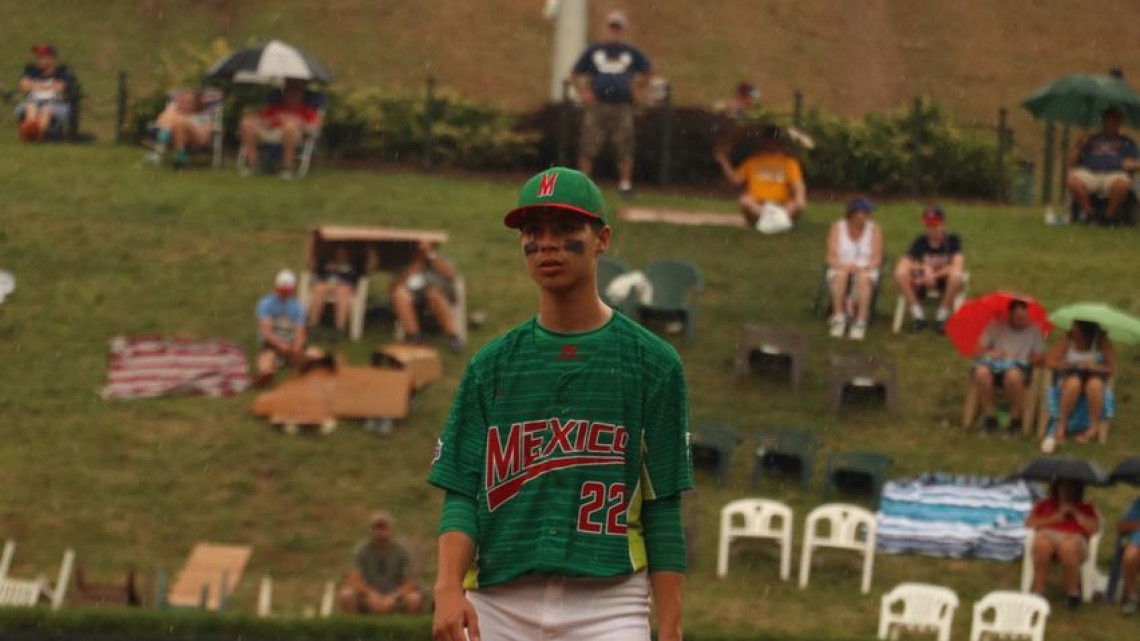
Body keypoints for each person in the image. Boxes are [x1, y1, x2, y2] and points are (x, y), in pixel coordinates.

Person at [428, 167, 693, 641]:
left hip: (610, 602)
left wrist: (670, 626)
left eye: (566, 230)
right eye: (533, 232)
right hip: (498, 597)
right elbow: (463, 492)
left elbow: (663, 504)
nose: (546, 244)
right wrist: (447, 588)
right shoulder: (491, 367)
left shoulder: (653, 364)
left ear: (602, 239)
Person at [572, 9, 652, 196]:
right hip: (598, 105)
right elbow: (575, 73)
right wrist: (584, 93)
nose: (614, 31)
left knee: (624, 145)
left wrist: (636, 89)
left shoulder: (631, 52)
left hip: (622, 106)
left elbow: (647, 72)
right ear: (607, 28)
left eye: (618, 28)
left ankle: (625, 184)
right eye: (612, 27)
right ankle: (584, 185)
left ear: (623, 29)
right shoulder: (594, 51)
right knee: (589, 143)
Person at [971, 299, 1046, 436]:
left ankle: (1015, 419)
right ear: (1010, 315)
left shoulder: (1034, 330)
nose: (1022, 321)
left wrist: (1020, 358)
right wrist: (991, 353)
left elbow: (1040, 359)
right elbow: (977, 350)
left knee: (1012, 376)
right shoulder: (996, 326)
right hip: (995, 364)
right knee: (981, 373)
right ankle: (990, 417)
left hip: (1018, 366)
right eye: (1018, 318)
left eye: (1025, 318)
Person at [1040, 320, 1116, 452]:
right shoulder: (1067, 339)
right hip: (1070, 374)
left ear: (1085, 331)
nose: (1073, 331)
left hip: (1093, 375)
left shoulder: (1101, 341)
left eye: (1076, 328)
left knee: (1095, 385)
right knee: (1073, 383)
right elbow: (1051, 362)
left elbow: (1112, 368)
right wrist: (1071, 365)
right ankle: (1061, 424)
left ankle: (1093, 427)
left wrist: (1095, 366)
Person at [1025, 479, 1100, 610]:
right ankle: (1038, 591)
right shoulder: (1045, 504)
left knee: (1068, 546)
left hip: (1075, 538)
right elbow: (1030, 524)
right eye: (1064, 488)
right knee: (1042, 543)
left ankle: (1072, 593)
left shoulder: (1086, 507)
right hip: (1048, 534)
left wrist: (1076, 514)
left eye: (1071, 488)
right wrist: (1054, 518)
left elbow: (1094, 529)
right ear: (1057, 489)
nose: (1067, 491)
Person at [717, 124, 806, 230]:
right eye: (768, 139)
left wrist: (800, 199)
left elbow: (798, 185)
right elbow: (735, 181)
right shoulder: (752, 161)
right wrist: (724, 161)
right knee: (745, 201)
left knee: (797, 205)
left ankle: (771, 220)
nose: (771, 142)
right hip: (757, 206)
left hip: (782, 205)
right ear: (764, 140)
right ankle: (777, 220)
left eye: (773, 139)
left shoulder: (789, 162)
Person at [337, 511, 425, 615]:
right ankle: (353, 628)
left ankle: (408, 628)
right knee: (347, 594)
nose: (380, 532)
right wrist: (371, 594)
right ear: (371, 530)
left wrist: (393, 597)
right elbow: (354, 578)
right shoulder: (362, 550)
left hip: (396, 596)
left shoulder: (403, 550)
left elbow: (411, 581)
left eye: (384, 528)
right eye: (377, 528)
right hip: (368, 596)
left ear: (391, 530)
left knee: (413, 598)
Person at [893, 206, 965, 332]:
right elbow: (903, 264)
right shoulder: (920, 241)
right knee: (900, 274)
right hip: (922, 280)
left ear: (943, 224)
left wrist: (933, 275)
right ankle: (918, 315)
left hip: (944, 280)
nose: (933, 230)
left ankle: (941, 317)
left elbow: (957, 264)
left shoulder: (952, 240)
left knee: (956, 275)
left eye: (936, 225)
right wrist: (924, 268)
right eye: (929, 226)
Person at [1066, 106, 1139, 224]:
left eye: (1116, 120)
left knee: (1122, 185)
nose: (1112, 123)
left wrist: (1132, 165)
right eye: (1109, 120)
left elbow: (1137, 163)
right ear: (1103, 121)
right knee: (1073, 181)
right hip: (1090, 172)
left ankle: (1108, 217)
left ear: (1120, 123)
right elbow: (1071, 161)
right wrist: (1079, 145)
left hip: (1115, 173)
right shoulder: (1091, 139)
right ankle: (1090, 214)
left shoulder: (1126, 142)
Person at [237, 78, 322, 179]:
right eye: (288, 91)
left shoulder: (307, 111)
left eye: (295, 91)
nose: (291, 94)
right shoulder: (276, 107)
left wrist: (300, 124)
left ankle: (287, 168)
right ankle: (253, 165)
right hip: (270, 132)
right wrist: (264, 122)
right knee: (247, 123)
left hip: (294, 135)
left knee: (289, 127)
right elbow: (260, 118)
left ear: (301, 94)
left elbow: (315, 128)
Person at [825, 197, 883, 341]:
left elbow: (877, 258)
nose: (867, 216)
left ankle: (860, 321)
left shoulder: (875, 230)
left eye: (868, 213)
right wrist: (845, 266)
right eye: (864, 213)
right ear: (853, 214)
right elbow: (830, 257)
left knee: (864, 278)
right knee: (840, 275)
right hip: (841, 265)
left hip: (865, 267)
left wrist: (865, 267)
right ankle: (838, 317)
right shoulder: (837, 227)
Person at [391, 241, 463, 353]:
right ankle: (414, 336)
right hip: (413, 296)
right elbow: (394, 286)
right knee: (400, 294)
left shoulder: (440, 258)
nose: (420, 249)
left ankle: (452, 336)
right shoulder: (405, 261)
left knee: (433, 293)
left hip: (438, 294)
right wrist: (414, 266)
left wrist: (431, 255)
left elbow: (450, 275)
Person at [254, 269, 308, 387]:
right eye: (282, 291)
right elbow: (266, 333)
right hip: (273, 344)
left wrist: (297, 346)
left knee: (312, 353)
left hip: (290, 344)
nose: (284, 295)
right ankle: (266, 373)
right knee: (267, 356)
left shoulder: (298, 307)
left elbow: (300, 331)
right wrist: (280, 345)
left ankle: (310, 369)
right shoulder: (266, 304)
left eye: (287, 291)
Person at [14, 44, 72, 142]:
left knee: (46, 111)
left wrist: (34, 85)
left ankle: (36, 136)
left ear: (51, 59)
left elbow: (60, 88)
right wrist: (48, 87)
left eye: (42, 57)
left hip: (54, 103)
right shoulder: (31, 70)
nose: (38, 60)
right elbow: (23, 86)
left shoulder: (62, 72)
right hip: (33, 101)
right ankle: (32, 135)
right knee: (30, 107)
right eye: (38, 57)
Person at [306, 244, 364, 337]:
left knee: (343, 291)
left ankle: (339, 328)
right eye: (339, 250)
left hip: (344, 287)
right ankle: (313, 325)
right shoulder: (326, 263)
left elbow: (369, 267)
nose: (341, 253)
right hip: (325, 283)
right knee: (319, 288)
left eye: (344, 251)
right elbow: (310, 265)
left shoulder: (353, 266)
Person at [153, 88, 215, 168]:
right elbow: (160, 121)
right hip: (178, 136)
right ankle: (180, 155)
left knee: (179, 120)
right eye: (182, 100)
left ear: (196, 104)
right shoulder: (173, 113)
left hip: (198, 138)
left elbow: (206, 133)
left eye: (189, 101)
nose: (184, 103)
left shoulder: (202, 116)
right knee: (175, 119)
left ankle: (162, 146)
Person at [1118, 496, 1140, 615]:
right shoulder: (1138, 504)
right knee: (1130, 555)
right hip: (1137, 547)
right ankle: (1131, 597)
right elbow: (1122, 527)